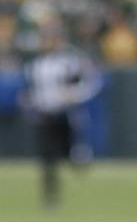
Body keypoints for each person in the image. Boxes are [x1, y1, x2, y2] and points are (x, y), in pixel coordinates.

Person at [21, 18, 103, 209]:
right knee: (47, 159)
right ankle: (51, 197)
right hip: (44, 115)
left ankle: (79, 155)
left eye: (51, 38)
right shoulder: (35, 65)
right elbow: (29, 91)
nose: (48, 43)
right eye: (45, 39)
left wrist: (75, 95)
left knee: (74, 156)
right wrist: (30, 103)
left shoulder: (70, 62)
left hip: (64, 114)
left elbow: (91, 81)